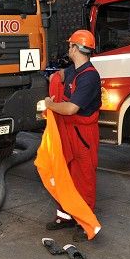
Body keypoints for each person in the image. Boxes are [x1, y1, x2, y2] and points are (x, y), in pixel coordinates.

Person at [43, 30, 101, 242]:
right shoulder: (75, 71)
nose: (68, 49)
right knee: (63, 174)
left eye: (70, 46)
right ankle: (66, 216)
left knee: (84, 178)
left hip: (82, 133)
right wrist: (55, 76)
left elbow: (70, 109)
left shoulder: (90, 77)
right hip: (69, 131)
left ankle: (84, 222)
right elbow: (60, 75)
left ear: (75, 48)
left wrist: (50, 104)